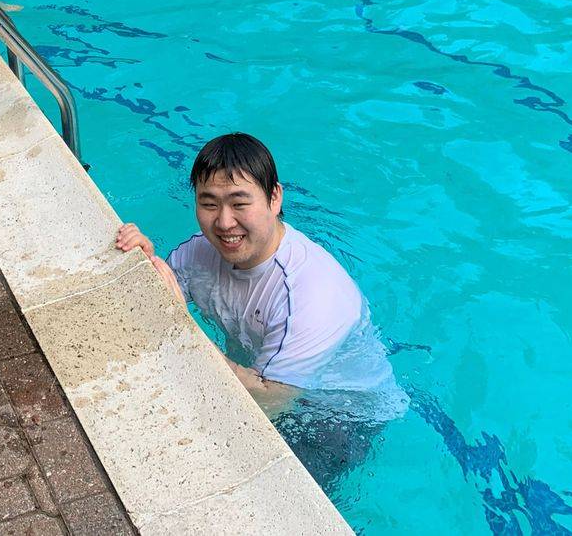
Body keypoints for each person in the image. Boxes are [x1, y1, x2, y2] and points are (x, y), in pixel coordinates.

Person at [115, 133, 403, 423]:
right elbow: (146, 307)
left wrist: (183, 328)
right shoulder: (198, 253)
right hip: (265, 375)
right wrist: (142, 265)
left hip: (339, 412)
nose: (224, 223)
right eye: (210, 204)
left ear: (274, 198)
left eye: (239, 204)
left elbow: (268, 404)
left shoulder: (310, 297)